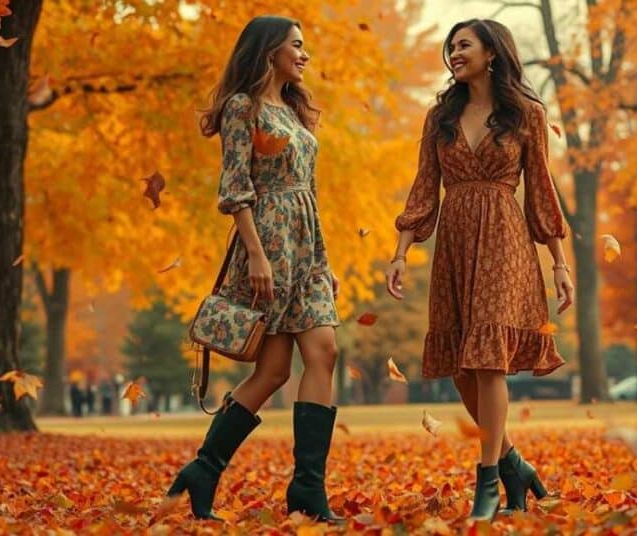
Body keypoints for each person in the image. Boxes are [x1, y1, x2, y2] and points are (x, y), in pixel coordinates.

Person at [386, 19, 575, 521]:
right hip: (454, 241)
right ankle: (516, 465)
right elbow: (424, 188)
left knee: (488, 359)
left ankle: (488, 478)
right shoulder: (440, 116)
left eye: (463, 44)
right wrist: (401, 252)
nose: (453, 52)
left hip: (504, 241)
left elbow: (541, 191)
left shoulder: (526, 114)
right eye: (450, 46)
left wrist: (559, 263)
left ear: (492, 53)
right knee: (462, 368)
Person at [166, 15, 343, 523]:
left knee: (325, 351)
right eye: (297, 46)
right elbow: (235, 187)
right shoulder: (243, 107)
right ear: (269, 51)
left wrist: (323, 261)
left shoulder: (292, 109)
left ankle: (307, 488)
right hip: (265, 245)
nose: (305, 55)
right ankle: (204, 469)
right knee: (271, 372)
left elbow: (309, 194)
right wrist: (258, 255)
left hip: (306, 249)